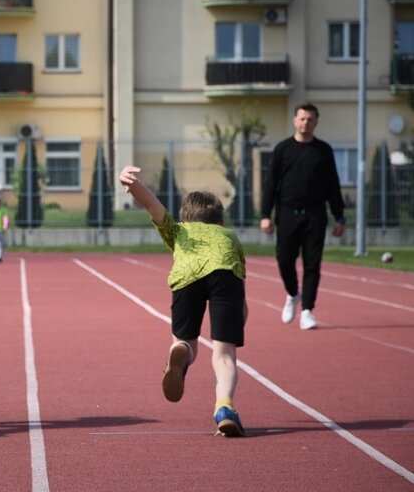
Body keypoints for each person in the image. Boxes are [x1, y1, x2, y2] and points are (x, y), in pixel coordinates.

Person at [119, 166, 248, 437]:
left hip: (187, 276)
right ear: (220, 222)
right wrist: (239, 318)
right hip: (226, 276)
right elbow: (240, 286)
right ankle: (224, 407)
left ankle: (180, 351)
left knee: (187, 342)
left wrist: (132, 184)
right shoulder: (229, 236)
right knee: (224, 355)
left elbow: (153, 205)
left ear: (185, 218)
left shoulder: (179, 231)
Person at [260, 103, 345, 330]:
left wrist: (339, 216)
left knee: (312, 264)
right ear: (294, 121)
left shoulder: (323, 151)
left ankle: (307, 310)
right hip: (287, 213)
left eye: (310, 119)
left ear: (316, 122)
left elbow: (332, 185)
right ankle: (292, 294)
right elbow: (271, 184)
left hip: (315, 214)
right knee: (284, 259)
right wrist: (265, 215)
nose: (305, 123)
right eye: (302, 119)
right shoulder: (283, 149)